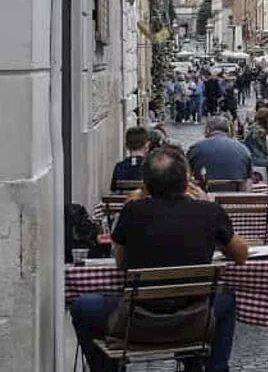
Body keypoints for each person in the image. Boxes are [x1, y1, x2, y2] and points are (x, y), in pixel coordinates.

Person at [71, 147, 248, 372]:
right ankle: (214, 367)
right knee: (227, 298)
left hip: (136, 322)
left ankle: (106, 369)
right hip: (195, 321)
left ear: (146, 183)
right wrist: (206, 202)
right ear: (187, 180)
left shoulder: (132, 212)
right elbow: (241, 255)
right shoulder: (210, 212)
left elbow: (121, 263)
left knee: (81, 306)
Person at [186, 115, 252, 185]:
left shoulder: (196, 148)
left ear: (208, 130)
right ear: (229, 130)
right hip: (236, 193)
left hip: (204, 193)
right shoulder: (243, 150)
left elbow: (185, 174)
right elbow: (248, 180)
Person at [111, 125, 152, 190]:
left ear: (126, 145)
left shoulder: (120, 167)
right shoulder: (152, 167)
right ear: (147, 145)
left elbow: (113, 189)